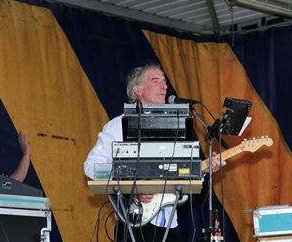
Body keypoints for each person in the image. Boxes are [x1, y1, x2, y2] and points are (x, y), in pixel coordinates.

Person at [84, 63, 225, 241]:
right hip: (135, 219)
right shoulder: (119, 125)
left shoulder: (177, 127)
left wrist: (205, 169)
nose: (164, 86)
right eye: (155, 80)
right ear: (137, 91)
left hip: (170, 223)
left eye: (164, 81)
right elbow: (91, 166)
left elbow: (183, 172)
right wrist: (133, 186)